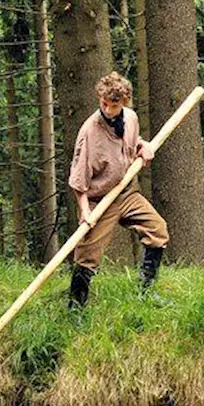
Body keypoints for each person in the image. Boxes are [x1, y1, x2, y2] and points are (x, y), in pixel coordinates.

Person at [66, 72, 166, 308]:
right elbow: (79, 179)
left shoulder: (130, 118)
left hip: (127, 192)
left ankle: (146, 293)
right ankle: (75, 310)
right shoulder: (89, 132)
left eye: (114, 105)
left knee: (158, 231)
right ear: (99, 99)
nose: (109, 110)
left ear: (124, 102)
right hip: (99, 201)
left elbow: (132, 143)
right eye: (104, 104)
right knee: (87, 257)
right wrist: (84, 211)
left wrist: (143, 145)